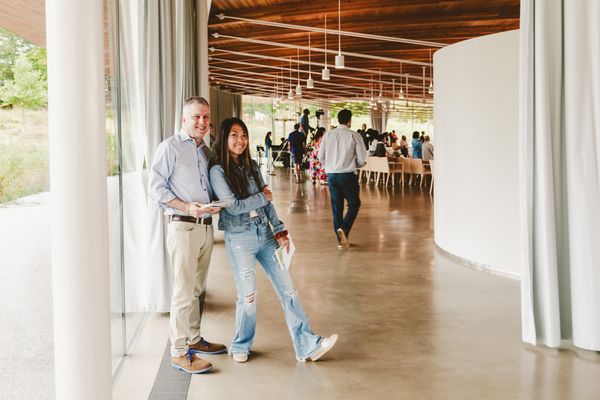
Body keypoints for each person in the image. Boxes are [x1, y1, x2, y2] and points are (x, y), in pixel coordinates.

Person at [209, 117, 338, 363]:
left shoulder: (252, 166)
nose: (240, 140)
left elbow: (267, 202)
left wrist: (280, 230)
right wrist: (261, 196)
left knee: (289, 290)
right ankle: (241, 343)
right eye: (234, 135)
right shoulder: (217, 170)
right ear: (225, 138)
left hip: (264, 234)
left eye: (244, 135)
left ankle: (307, 346)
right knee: (248, 297)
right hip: (239, 237)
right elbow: (234, 207)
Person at [148, 96, 226, 374]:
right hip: (183, 226)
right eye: (196, 117)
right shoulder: (169, 147)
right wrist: (187, 206)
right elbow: (156, 189)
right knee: (183, 291)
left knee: (195, 289)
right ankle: (179, 352)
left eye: (206, 117)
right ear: (184, 119)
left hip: (205, 226)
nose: (202, 122)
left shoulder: (205, 150)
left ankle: (194, 339)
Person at [318, 109, 367, 249]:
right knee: (354, 204)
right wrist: (354, 165)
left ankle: (341, 242)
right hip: (347, 175)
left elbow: (321, 157)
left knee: (336, 208)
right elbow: (362, 160)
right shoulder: (354, 135)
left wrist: (330, 167)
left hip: (332, 175)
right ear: (349, 120)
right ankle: (344, 230)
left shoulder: (328, 135)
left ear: (338, 119)